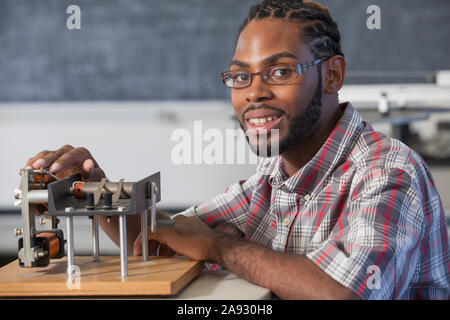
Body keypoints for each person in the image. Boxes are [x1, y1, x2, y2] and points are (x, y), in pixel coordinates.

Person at [24, 0, 450, 299]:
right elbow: (164, 240)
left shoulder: (390, 171)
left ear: (333, 75)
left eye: (281, 71)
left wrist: (220, 248)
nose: (254, 93)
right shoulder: (271, 182)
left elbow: (344, 294)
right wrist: (97, 187)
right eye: (240, 77)